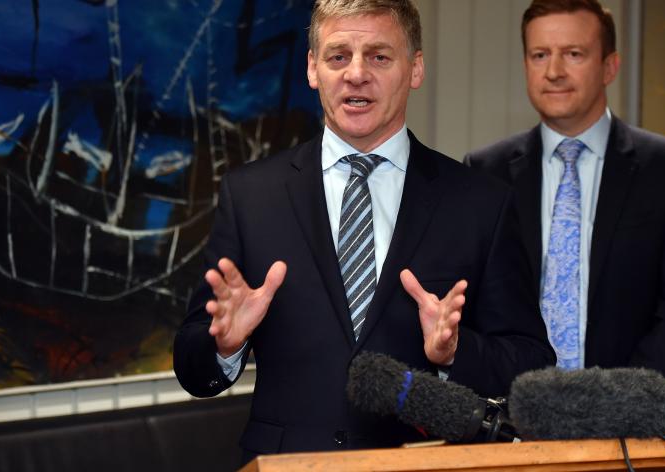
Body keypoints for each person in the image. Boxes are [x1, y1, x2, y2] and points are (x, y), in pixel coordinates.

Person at [174, 0, 555, 458]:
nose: (356, 73)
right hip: (288, 463)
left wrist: (455, 352)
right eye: (338, 56)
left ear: (414, 69)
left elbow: (530, 363)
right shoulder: (251, 195)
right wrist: (225, 346)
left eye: (378, 56)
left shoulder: (480, 202)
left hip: (429, 461)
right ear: (313, 69)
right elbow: (194, 370)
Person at [465, 0, 665, 383]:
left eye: (573, 54)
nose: (554, 71)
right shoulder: (485, 171)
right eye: (540, 54)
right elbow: (477, 307)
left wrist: (621, 398)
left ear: (609, 66)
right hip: (510, 417)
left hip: (632, 418)